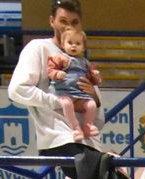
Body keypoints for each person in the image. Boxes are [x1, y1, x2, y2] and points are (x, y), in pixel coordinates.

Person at [8, 1, 98, 160]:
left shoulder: (81, 58)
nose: (68, 26)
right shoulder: (38, 48)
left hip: (87, 140)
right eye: (63, 21)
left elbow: (96, 105)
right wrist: (59, 101)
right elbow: (17, 89)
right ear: (52, 21)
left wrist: (93, 97)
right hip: (59, 138)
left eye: (74, 22)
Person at [48, 29, 100, 139]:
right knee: (67, 104)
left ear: (83, 47)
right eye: (70, 43)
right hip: (64, 91)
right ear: (62, 44)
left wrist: (96, 76)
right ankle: (75, 127)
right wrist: (57, 74)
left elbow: (91, 79)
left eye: (78, 44)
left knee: (92, 105)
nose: (73, 46)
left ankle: (88, 125)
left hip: (80, 93)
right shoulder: (60, 58)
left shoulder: (86, 62)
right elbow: (50, 70)